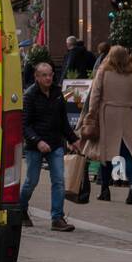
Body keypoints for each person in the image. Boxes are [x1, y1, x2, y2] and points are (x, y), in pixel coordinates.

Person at [19, 62, 81, 231]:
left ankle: (57, 218)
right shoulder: (29, 95)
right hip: (35, 145)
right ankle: (20, 208)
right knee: (32, 181)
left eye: (50, 74)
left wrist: (74, 139)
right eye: (44, 75)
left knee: (59, 180)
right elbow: (24, 125)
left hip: (55, 144)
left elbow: (63, 121)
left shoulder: (57, 93)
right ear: (36, 77)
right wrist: (37, 141)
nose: (48, 78)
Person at [80, 45, 132, 204]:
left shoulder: (103, 72)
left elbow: (95, 95)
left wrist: (91, 115)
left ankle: (105, 189)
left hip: (108, 115)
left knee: (106, 154)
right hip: (128, 114)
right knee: (129, 154)